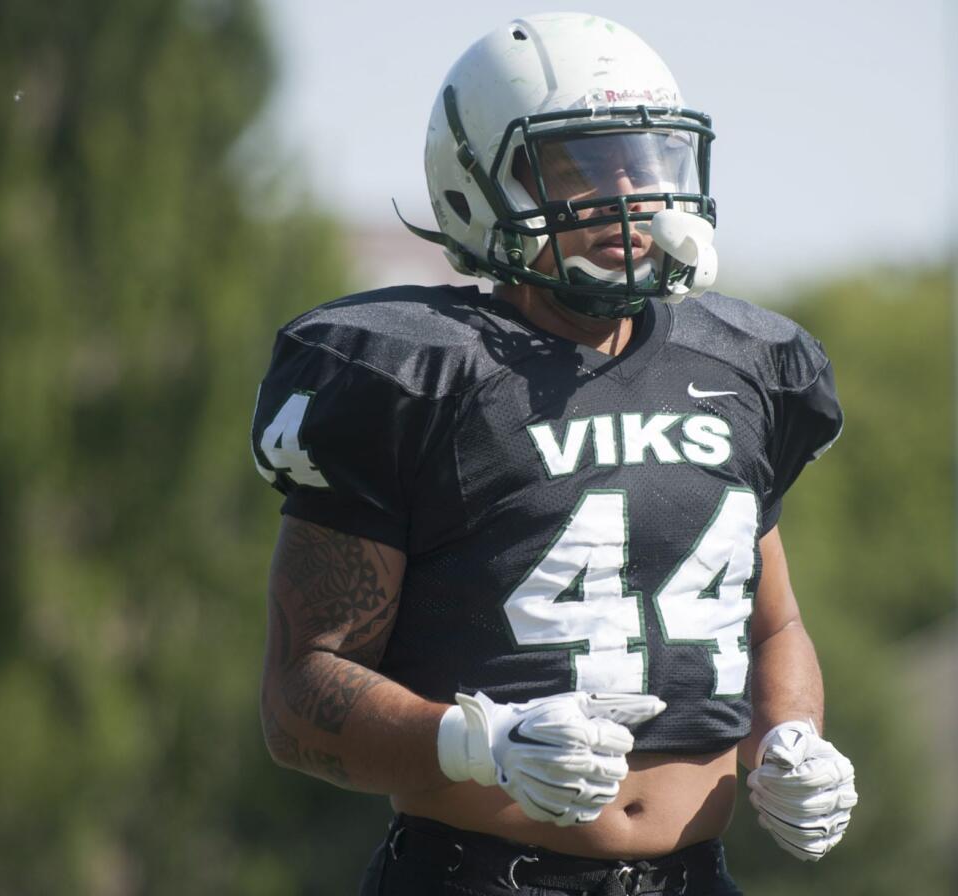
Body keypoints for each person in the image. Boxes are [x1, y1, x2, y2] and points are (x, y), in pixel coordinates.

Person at [252, 12, 857, 896]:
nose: (628, 195)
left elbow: (775, 624)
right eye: (579, 164)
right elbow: (298, 693)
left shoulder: (744, 366)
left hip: (698, 877)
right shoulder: (418, 377)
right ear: (477, 185)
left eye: (646, 162)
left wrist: (791, 737)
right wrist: (477, 744)